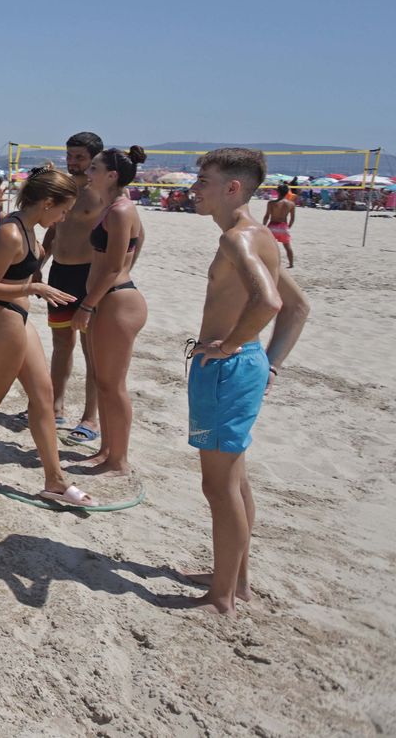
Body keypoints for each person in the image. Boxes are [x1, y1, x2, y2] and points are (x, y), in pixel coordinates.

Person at [182, 147, 310, 615]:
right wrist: (268, 362)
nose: (194, 190)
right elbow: (298, 307)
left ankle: (221, 598)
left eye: (203, 182)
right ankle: (234, 582)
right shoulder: (262, 238)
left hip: (227, 369)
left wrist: (230, 344)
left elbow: (271, 304)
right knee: (236, 482)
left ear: (232, 188)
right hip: (245, 365)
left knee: (219, 488)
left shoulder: (238, 239)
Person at [0, 167, 95, 508]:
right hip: (0, 317)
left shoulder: (30, 229)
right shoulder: (11, 233)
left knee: (43, 395)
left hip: (17, 317)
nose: (63, 218)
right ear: (47, 203)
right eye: (62, 210)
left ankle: (55, 479)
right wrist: (33, 286)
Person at [71, 147, 148, 476]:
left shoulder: (120, 210)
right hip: (109, 298)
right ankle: (107, 451)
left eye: (96, 168)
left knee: (113, 384)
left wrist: (87, 304)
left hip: (116, 300)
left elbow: (115, 265)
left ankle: (119, 460)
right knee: (104, 382)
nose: (89, 171)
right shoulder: (116, 206)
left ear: (112, 175)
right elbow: (140, 238)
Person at [42, 131, 106, 444]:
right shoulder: (63, 189)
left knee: (92, 349)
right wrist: (35, 267)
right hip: (60, 273)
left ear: (95, 158)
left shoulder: (102, 194)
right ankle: (55, 406)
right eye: (70, 156)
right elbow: (52, 232)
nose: (73, 162)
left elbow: (131, 237)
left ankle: (90, 418)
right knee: (61, 344)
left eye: (79, 157)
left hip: (89, 276)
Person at [263, 183, 296, 268]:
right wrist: (288, 227)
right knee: (287, 246)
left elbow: (267, 216)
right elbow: (292, 219)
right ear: (287, 192)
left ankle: (268, 262)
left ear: (278, 192)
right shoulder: (291, 204)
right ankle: (291, 264)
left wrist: (263, 226)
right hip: (283, 226)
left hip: (272, 226)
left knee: (269, 247)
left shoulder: (271, 203)